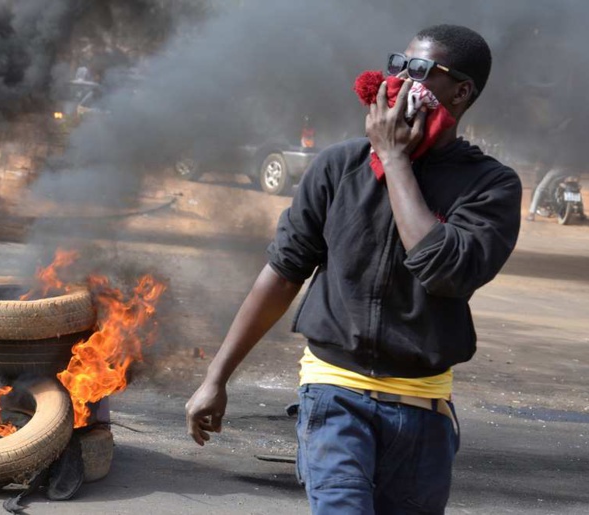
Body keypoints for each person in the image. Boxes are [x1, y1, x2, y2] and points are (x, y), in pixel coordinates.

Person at [186, 24, 522, 514]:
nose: (400, 80)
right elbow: (283, 272)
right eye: (397, 64)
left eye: (420, 69)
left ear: (461, 91)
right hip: (333, 395)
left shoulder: (490, 186)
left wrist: (394, 160)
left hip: (423, 409)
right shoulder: (339, 166)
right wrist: (216, 377)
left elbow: (443, 269)